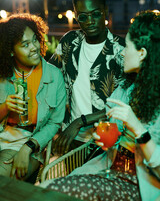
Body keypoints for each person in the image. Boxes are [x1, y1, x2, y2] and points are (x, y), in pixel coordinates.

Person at [40, 10, 160, 201]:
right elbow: (109, 123)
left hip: (138, 185)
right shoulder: (127, 89)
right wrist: (103, 136)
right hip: (108, 170)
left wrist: (138, 129)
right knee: (46, 188)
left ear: (142, 53)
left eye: (127, 46)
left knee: (51, 191)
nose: (122, 51)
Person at [49, 0, 125, 154]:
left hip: (106, 141)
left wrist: (81, 122)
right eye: (82, 16)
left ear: (105, 11)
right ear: (76, 15)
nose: (89, 21)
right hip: (70, 139)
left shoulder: (122, 52)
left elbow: (125, 104)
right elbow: (49, 75)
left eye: (96, 14)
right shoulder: (69, 42)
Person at [0, 13, 66, 182]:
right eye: (25, 44)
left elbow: (54, 123)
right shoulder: (2, 73)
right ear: (10, 51)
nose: (34, 47)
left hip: (27, 142)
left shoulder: (54, 75)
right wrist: (6, 107)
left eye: (35, 40)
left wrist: (27, 147)